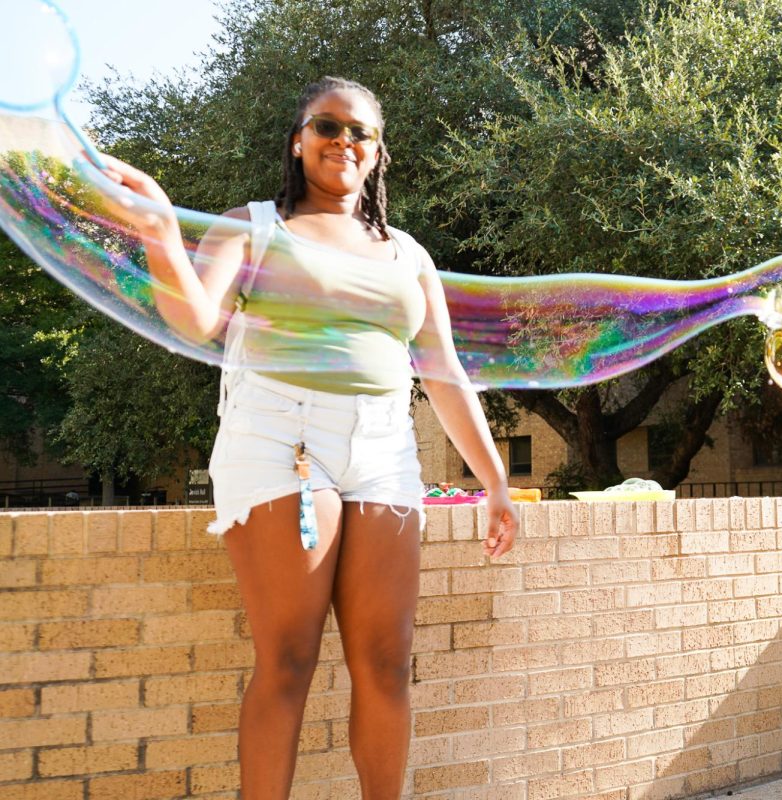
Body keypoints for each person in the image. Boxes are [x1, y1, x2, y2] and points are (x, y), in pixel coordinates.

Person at [98, 76, 519, 800]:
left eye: (362, 133)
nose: (345, 142)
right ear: (298, 139)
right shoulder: (252, 226)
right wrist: (162, 230)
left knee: (387, 663)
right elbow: (194, 319)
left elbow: (444, 373)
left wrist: (496, 483)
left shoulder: (408, 255)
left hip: (384, 448)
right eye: (329, 126)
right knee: (289, 658)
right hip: (278, 437)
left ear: (379, 153)